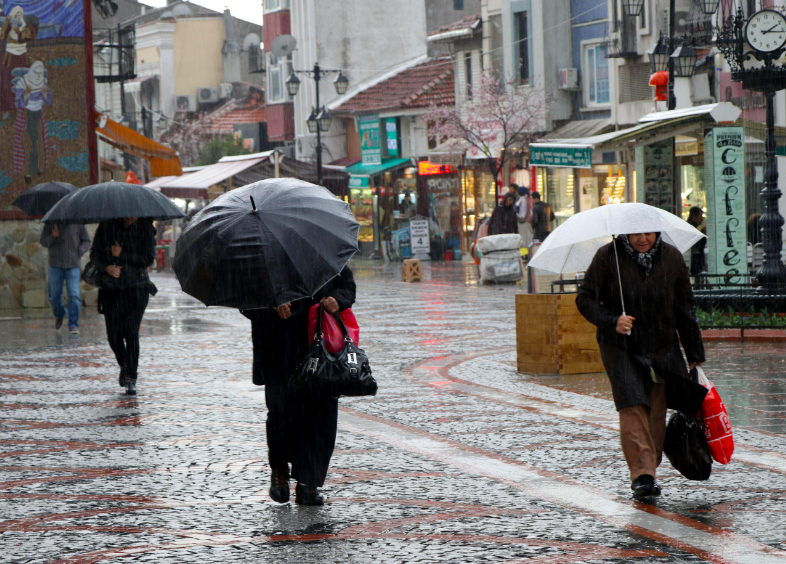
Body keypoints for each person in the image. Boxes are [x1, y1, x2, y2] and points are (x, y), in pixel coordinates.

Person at [576, 232, 706, 498]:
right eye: (637, 233)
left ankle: (649, 465)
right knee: (632, 405)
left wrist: (694, 352)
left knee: (656, 409)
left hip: (661, 345)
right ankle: (643, 475)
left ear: (657, 232)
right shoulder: (607, 255)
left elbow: (685, 307)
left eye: (649, 233)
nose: (643, 239)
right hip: (621, 346)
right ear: (626, 232)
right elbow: (585, 298)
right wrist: (613, 320)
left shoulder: (671, 257)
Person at [242, 266, 356, 506]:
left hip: (320, 349)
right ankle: (280, 472)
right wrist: (271, 307)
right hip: (278, 351)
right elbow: (246, 299)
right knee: (281, 414)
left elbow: (347, 286)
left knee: (321, 416)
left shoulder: (323, 252)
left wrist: (338, 299)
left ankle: (309, 482)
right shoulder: (262, 258)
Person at [90, 217, 156, 396]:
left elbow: (148, 259)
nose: (131, 217)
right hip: (112, 289)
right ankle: (124, 365)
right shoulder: (106, 226)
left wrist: (123, 254)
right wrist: (107, 267)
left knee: (131, 332)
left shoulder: (145, 228)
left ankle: (131, 378)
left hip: (137, 287)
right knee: (113, 335)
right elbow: (94, 255)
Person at [39, 222, 91, 335]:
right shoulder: (51, 222)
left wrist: (79, 251)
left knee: (74, 295)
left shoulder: (77, 222)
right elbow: (43, 241)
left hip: (73, 266)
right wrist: (53, 236)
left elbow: (87, 241)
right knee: (54, 296)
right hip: (55, 265)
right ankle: (60, 314)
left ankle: (73, 324)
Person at [686, 206, 707, 280]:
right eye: (700, 216)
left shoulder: (698, 226)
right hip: (694, 258)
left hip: (697, 258)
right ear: (694, 217)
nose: (701, 219)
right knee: (696, 277)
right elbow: (696, 243)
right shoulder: (690, 227)